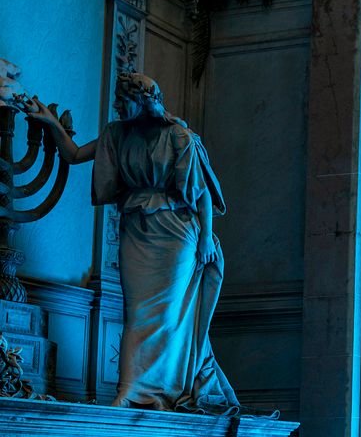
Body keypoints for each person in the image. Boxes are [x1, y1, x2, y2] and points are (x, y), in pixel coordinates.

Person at [26, 73, 239, 413]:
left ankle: (158, 392)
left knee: (167, 317)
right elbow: (74, 154)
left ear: (143, 101)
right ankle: (131, 389)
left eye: (124, 100)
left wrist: (204, 241)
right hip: (137, 232)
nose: (118, 106)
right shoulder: (116, 134)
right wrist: (52, 123)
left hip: (177, 235)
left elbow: (201, 197)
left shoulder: (178, 137)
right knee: (136, 314)